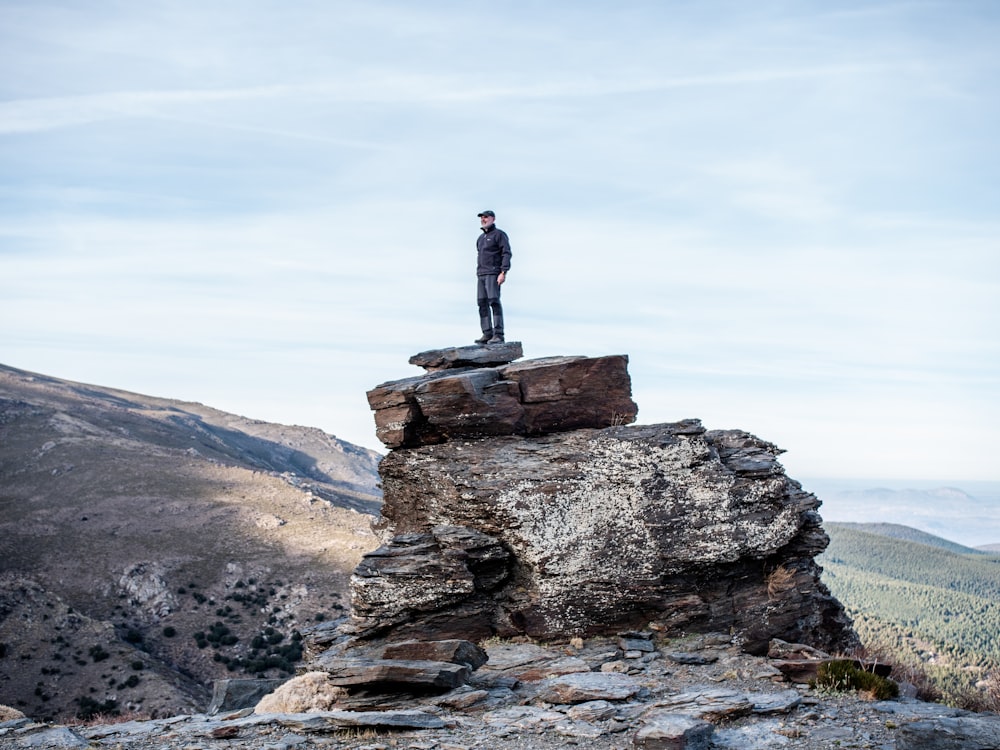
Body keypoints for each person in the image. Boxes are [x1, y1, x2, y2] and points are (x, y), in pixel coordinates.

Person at [475, 210, 511, 344]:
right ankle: (487, 333)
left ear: (493, 219)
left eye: (486, 217)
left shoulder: (499, 235)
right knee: (481, 303)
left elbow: (506, 253)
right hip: (481, 274)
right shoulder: (480, 238)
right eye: (482, 218)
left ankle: (499, 334)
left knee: (493, 301)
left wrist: (503, 272)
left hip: (493, 273)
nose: (483, 219)